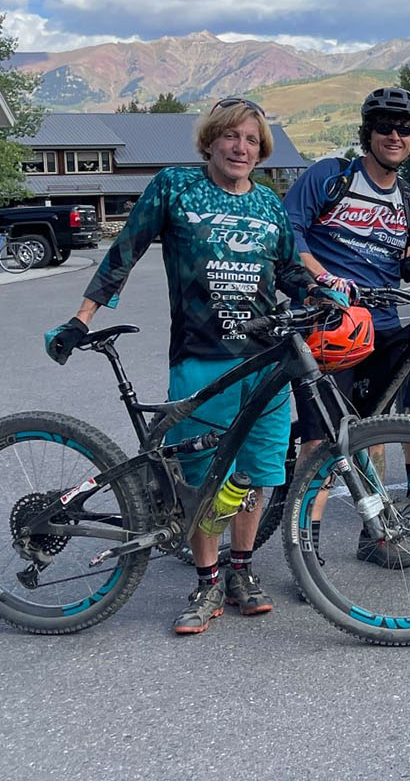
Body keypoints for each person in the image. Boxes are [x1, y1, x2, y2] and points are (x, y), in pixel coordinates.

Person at [43, 98, 312, 634]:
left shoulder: (269, 204)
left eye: (252, 141)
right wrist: (80, 317)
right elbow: (125, 251)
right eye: (231, 137)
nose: (241, 148)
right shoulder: (175, 187)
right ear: (210, 140)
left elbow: (287, 270)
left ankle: (242, 570)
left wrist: (320, 294)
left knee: (258, 476)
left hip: (263, 362)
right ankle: (207, 580)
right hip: (200, 361)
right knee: (203, 482)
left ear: (262, 151)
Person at [282, 86, 410, 563]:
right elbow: (289, 233)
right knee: (323, 439)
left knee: (372, 428)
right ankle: (307, 548)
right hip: (328, 325)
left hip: (381, 325)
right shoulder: (331, 177)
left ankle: (377, 533)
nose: (395, 135)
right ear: (367, 132)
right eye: (385, 126)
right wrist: (322, 277)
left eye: (405, 128)